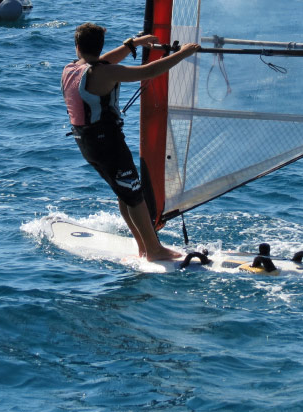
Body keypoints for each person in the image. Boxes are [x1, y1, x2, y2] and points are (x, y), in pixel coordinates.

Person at [62, 23, 201, 261]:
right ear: (100, 45)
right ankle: (154, 250)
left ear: (77, 47)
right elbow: (147, 71)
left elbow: (103, 60)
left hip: (86, 143)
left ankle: (143, 246)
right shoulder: (104, 72)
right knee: (134, 193)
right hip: (107, 142)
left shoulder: (72, 68)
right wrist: (182, 54)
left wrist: (132, 44)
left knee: (125, 191)